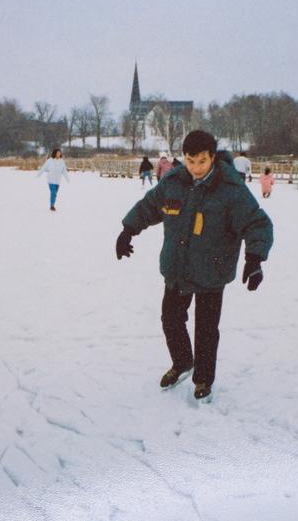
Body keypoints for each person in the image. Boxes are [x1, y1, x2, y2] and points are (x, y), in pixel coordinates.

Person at [115, 130, 273, 401]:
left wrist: (255, 258)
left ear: (212, 157)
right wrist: (128, 230)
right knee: (171, 319)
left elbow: (256, 222)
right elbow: (150, 206)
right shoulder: (174, 180)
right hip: (178, 266)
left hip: (213, 269)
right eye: (190, 161)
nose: (196, 168)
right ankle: (183, 361)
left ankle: (203, 379)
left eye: (202, 161)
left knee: (206, 330)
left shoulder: (231, 189)